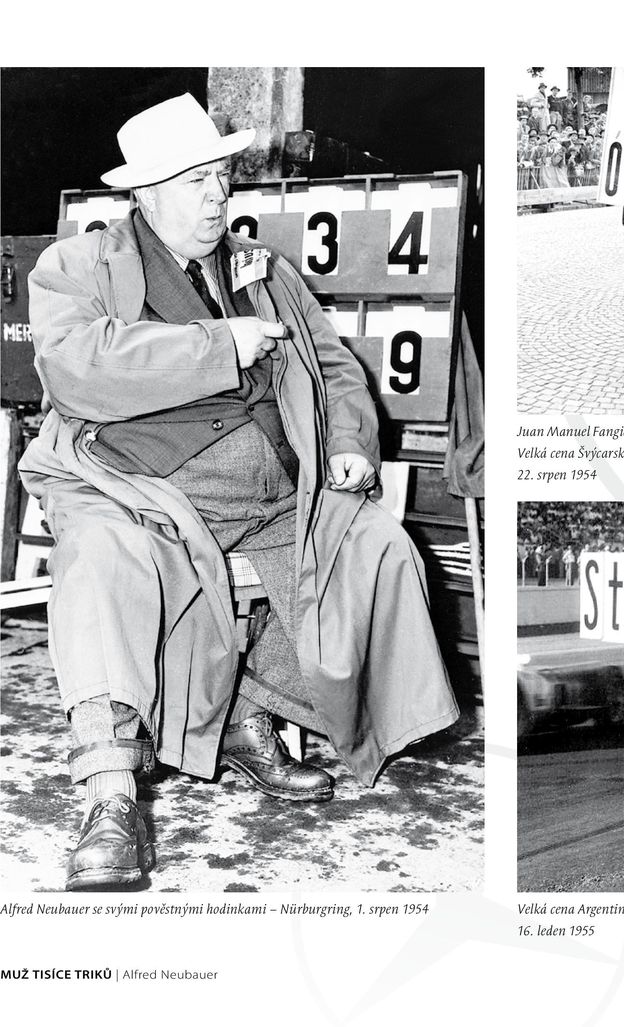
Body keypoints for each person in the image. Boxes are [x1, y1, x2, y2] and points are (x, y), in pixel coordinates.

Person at [19, 93, 459, 890]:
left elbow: (335, 371)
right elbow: (77, 368)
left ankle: (245, 713)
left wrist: (354, 446)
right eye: (197, 182)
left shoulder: (264, 271)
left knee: (383, 552)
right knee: (98, 565)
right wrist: (221, 343)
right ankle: (110, 800)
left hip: (275, 496)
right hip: (142, 492)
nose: (219, 198)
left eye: (223, 179)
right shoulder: (78, 265)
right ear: (145, 193)